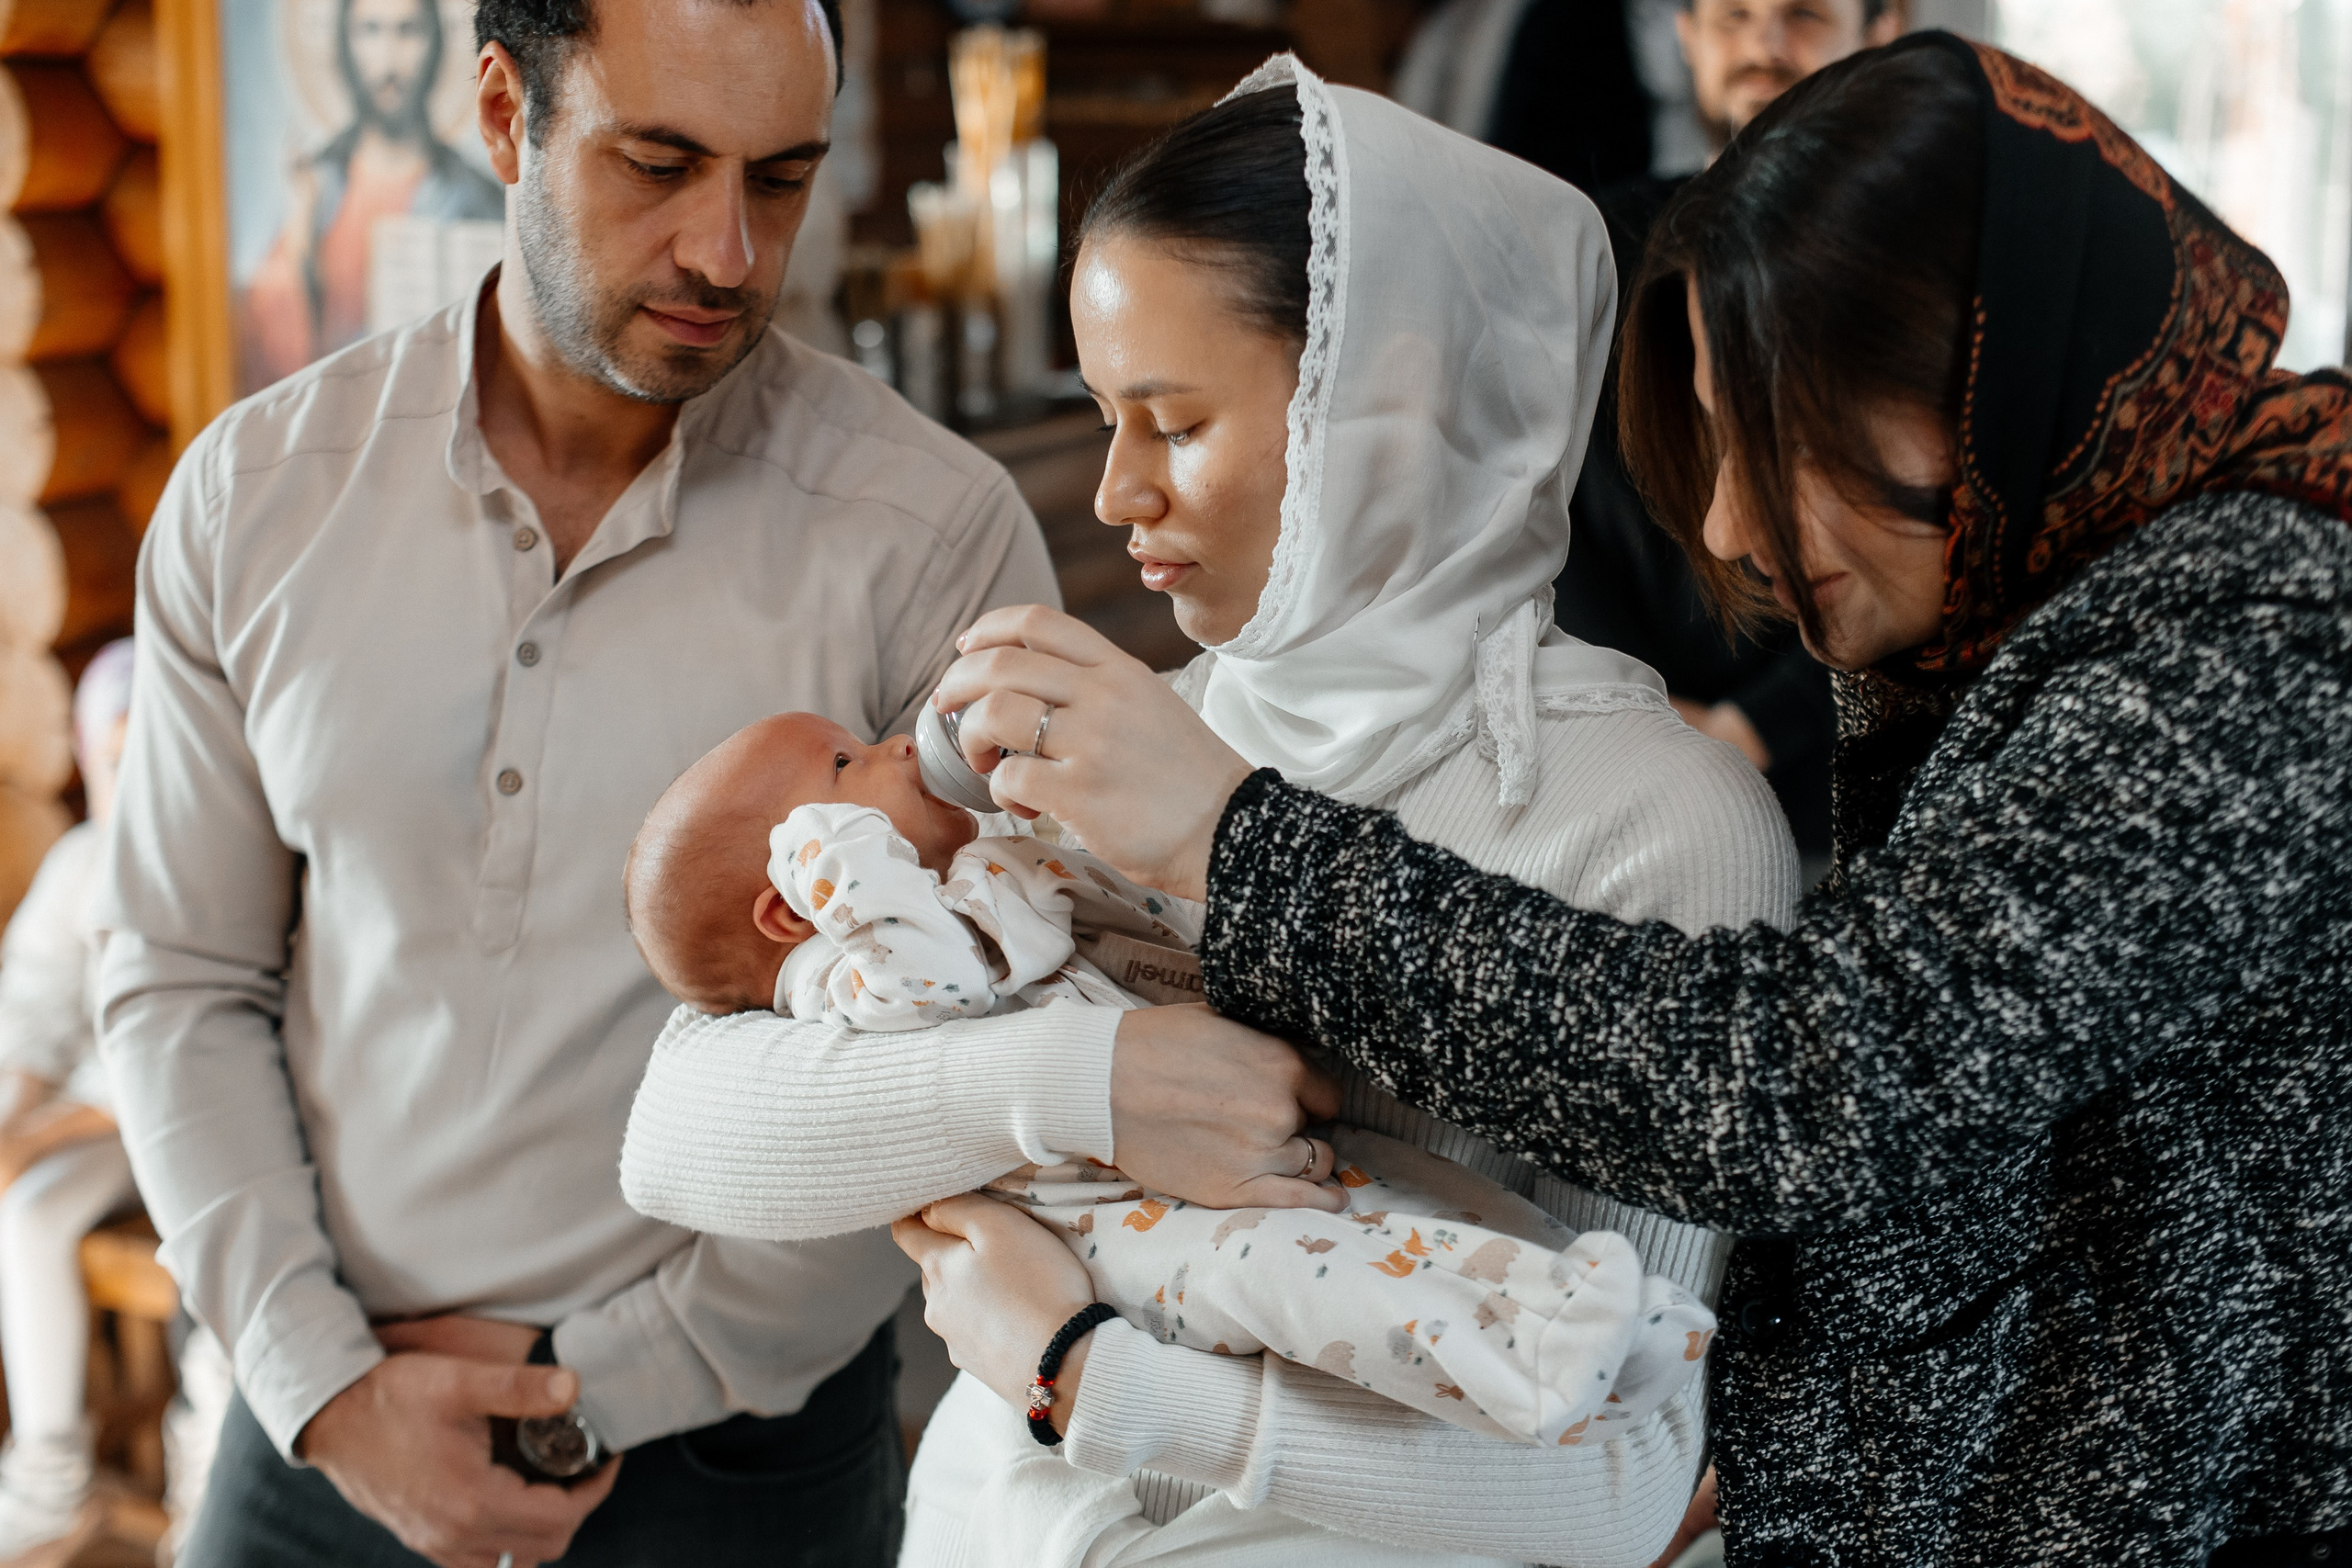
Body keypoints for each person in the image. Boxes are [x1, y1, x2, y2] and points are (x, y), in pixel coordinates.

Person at [927, 33, 2352, 1564]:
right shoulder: (2031, 610)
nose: (1732, 526)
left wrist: (1241, 849)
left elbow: (1831, 1082)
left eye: (1783, 444)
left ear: (1976, 380)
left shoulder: (2261, 632)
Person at [622, 57, 1798, 1567]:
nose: (1118, 495)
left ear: (1392, 405)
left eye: (1172, 424)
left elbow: (1626, 1479)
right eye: (1105, 417)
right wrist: (1093, 1074)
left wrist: (1081, 1371)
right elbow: (675, 1128)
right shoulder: (1143, 724)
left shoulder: (1658, 826)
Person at [97, 0, 1059, 1561]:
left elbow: (958, 1067)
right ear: (501, 114)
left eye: (779, 178)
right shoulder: (252, 498)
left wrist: (591, 1386)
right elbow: (177, 975)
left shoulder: (933, 538)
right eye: (660, 165)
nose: (728, 254)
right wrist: (320, 1383)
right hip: (323, 1423)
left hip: (730, 1458)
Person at [625, 716, 1715, 1451]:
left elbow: (1091, 913)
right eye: (844, 772)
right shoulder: (840, 968)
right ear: (793, 897)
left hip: (1195, 1167)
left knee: (1413, 1203)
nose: (901, 740)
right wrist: (845, 862)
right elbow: (940, 986)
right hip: (1122, 1226)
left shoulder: (943, 883)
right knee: (1322, 1283)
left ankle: (1589, 1307)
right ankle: (1513, 1363)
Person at [1562, 0, 1906, 874]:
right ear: (1685, 34)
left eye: (1800, 14)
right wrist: (1621, 711)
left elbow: (1933, 538)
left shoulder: (1914, 267)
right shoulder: (1595, 246)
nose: (1762, 45)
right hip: (1614, 769)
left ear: (1882, 31)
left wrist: (1751, 729)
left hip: (1844, 794)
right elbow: (1533, 491)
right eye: (1734, 15)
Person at [0, 640, 135, 1560]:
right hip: (98, 1127)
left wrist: (45, 1127)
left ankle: (209, 1457)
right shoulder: (81, 862)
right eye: (115, 760)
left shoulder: (214, 868)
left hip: (185, 1120)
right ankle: (51, 1469)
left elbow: (173, 1051)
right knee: (28, 1211)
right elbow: (34, 1003)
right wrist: (13, 1121)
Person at [243, 0, 505, 384]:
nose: (389, 60)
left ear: (434, 43)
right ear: (344, 46)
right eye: (370, 31)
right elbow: (273, 353)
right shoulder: (316, 190)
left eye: (407, 32)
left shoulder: (474, 197)